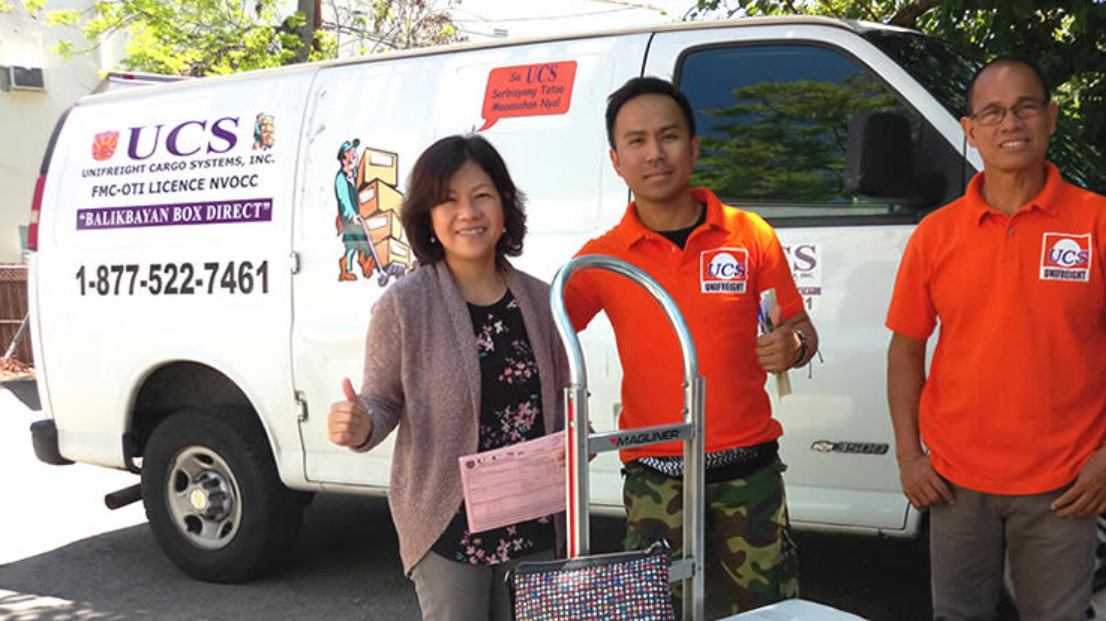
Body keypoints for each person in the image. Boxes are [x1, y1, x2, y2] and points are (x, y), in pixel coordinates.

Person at [563, 76, 818, 614]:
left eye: (669, 136)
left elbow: (799, 326)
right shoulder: (602, 260)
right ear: (616, 159)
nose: (655, 153)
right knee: (655, 611)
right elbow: (547, 336)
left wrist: (792, 343)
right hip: (656, 477)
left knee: (770, 612)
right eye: (636, 141)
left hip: (749, 472)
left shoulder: (750, 236)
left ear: (694, 146)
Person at [886, 57, 1106, 621]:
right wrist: (910, 456)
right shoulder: (935, 235)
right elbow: (907, 348)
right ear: (970, 129)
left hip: (1066, 486)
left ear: (1051, 117)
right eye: (993, 112)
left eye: (1025, 107)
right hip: (956, 484)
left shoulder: (1096, 222)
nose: (1011, 123)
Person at [328, 134, 566, 621]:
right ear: (428, 217)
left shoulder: (543, 302)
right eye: (448, 200)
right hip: (448, 527)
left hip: (535, 520)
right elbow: (381, 401)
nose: (468, 212)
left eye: (481, 195)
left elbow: (563, 404)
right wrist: (360, 424)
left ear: (504, 204)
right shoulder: (405, 304)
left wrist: (575, 441)